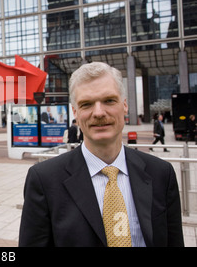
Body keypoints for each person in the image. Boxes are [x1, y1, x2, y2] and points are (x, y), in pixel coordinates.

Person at [19, 62, 184, 247]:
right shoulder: (44, 180)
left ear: (125, 106)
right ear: (76, 112)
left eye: (109, 101)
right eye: (86, 104)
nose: (98, 112)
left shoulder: (161, 173)